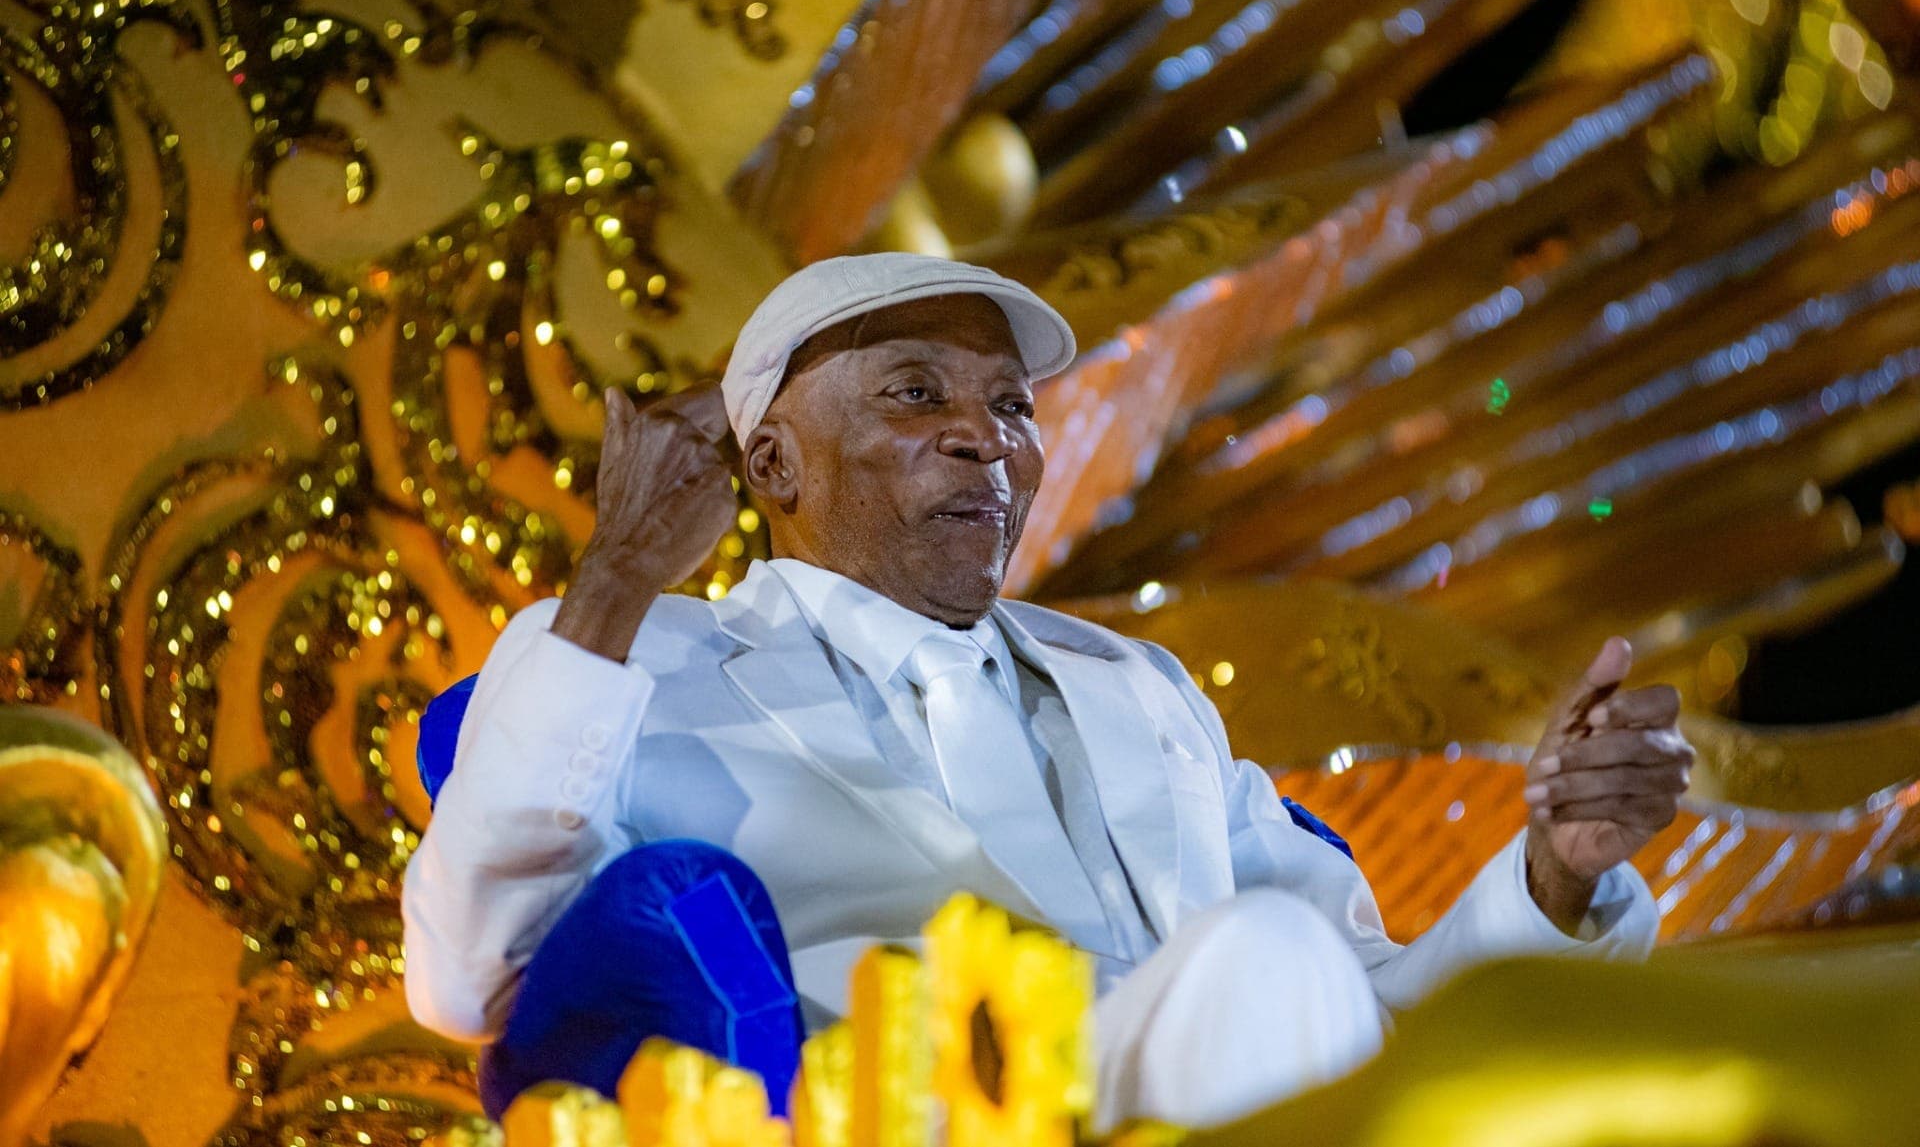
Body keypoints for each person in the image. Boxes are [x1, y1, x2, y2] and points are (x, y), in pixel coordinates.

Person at [402, 253, 1693, 1129]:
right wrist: (617, 579)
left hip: (1222, 1086)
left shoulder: (1138, 686)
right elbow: (468, 973)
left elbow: (1359, 997)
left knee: (1279, 963)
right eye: (917, 391)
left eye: (1011, 405)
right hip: (929, 1116)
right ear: (776, 462)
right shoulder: (633, 662)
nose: (987, 437)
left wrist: (1554, 876)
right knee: (1261, 959)